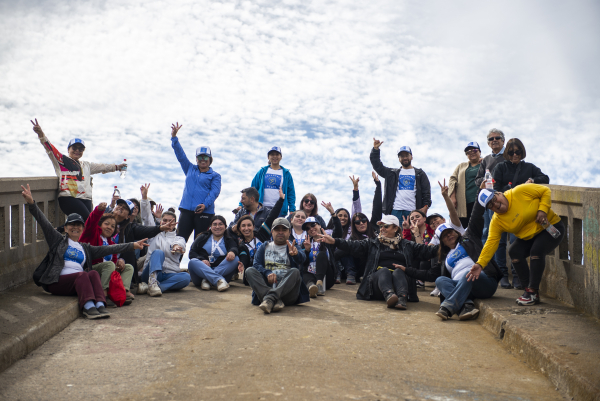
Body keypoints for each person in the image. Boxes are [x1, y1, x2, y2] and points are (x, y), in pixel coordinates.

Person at [21, 184, 147, 319]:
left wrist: (132, 245)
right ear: (66, 228)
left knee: (92, 273)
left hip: (77, 283)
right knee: (82, 275)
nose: (75, 227)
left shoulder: (85, 247)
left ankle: (100, 304)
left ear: (82, 229)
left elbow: (110, 249)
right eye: (72, 225)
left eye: (78, 225)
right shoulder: (58, 241)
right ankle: (88, 306)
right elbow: (44, 223)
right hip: (56, 282)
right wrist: (31, 203)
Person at [316, 214, 438, 310]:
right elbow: (352, 245)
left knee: (399, 271)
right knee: (383, 270)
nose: (382, 228)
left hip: (401, 284)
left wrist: (448, 244)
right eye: (381, 226)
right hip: (377, 286)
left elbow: (428, 251)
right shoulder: (372, 243)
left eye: (386, 226)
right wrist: (335, 241)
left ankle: (402, 299)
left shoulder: (407, 245)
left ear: (396, 228)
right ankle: (389, 296)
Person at [470, 184, 565, 306]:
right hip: (529, 236)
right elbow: (491, 243)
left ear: (498, 193)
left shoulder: (519, 192)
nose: (495, 205)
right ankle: (529, 291)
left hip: (550, 227)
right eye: (490, 206)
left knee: (536, 251)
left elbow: (545, 190)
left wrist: (543, 210)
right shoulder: (497, 221)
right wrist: (480, 264)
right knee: (514, 251)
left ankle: (533, 290)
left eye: (493, 200)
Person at [31, 119, 126, 224]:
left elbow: (102, 167)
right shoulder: (61, 160)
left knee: (82, 225)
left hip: (86, 199)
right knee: (90, 222)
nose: (77, 150)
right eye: (74, 148)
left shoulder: (86, 165)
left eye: (80, 149)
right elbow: (50, 148)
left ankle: (66, 232)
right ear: (68, 149)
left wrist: (117, 167)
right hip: (69, 198)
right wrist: (41, 134)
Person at [170, 122, 222, 242]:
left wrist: (205, 205)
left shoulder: (215, 176)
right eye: (200, 157)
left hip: (205, 212)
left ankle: (198, 261)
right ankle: (174, 261)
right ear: (196, 159)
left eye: (205, 157)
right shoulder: (189, 168)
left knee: (200, 243)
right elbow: (180, 155)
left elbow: (214, 192)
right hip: (186, 210)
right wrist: (174, 138)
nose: (202, 160)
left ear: (210, 159)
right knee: (179, 241)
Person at [245, 218, 309, 314]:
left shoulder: (293, 246)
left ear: (289, 232)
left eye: (284, 230)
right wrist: (267, 272)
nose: (280, 232)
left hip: (288, 293)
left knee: (295, 272)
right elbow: (256, 265)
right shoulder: (264, 246)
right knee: (249, 270)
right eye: (277, 229)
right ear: (272, 232)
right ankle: (275, 299)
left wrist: (295, 255)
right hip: (266, 288)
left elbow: (302, 258)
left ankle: (270, 299)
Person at [78, 202, 136, 307]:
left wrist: (118, 264)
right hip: (91, 269)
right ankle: (103, 295)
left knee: (128, 267)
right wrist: (98, 210)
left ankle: (122, 291)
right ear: (100, 224)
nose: (109, 227)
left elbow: (113, 261)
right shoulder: (92, 234)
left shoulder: (111, 243)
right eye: (107, 224)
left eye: (113, 226)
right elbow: (91, 222)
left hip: (106, 272)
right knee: (109, 265)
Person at [137, 184, 190, 297]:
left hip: (170, 273)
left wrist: (176, 247)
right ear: (160, 222)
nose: (168, 223)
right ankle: (152, 282)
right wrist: (144, 198)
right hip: (150, 272)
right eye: (164, 220)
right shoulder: (153, 234)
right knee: (158, 252)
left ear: (175, 223)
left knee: (186, 278)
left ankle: (154, 287)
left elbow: (179, 244)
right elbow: (146, 218)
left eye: (171, 221)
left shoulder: (179, 238)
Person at [111, 197, 169, 290]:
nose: (121, 208)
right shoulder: (103, 221)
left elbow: (145, 230)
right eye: (119, 205)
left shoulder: (129, 227)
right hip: (103, 261)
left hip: (120, 264)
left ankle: (125, 289)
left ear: (128, 216)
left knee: (129, 262)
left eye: (124, 208)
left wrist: (160, 228)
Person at [475, 129, 509, 285]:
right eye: (491, 139)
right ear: (488, 143)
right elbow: (478, 179)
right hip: (490, 202)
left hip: (506, 201)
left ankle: (503, 274)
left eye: (497, 138)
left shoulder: (509, 155)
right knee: (487, 235)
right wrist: (482, 183)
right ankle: (489, 270)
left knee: (503, 239)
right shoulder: (486, 159)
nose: (494, 140)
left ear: (503, 140)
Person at [370, 138, 432, 223]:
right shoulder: (392, 173)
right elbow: (377, 165)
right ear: (399, 159)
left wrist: (425, 207)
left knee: (412, 236)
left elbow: (426, 192)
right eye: (402, 156)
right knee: (394, 235)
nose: (405, 158)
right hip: (395, 211)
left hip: (413, 212)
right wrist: (375, 150)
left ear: (411, 157)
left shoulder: (420, 174)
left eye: (407, 155)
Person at [234, 187, 285, 282]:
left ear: (254, 227)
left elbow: (272, 216)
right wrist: (243, 264)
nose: (246, 228)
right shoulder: (241, 244)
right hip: (252, 272)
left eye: (249, 225)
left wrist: (281, 200)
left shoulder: (261, 235)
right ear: (239, 228)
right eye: (243, 226)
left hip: (267, 266)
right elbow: (244, 256)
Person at [188, 216, 241, 292]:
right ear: (210, 226)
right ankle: (218, 280)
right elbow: (192, 253)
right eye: (214, 224)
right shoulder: (202, 237)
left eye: (220, 224)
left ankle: (207, 280)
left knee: (236, 259)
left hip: (222, 272)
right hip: (201, 274)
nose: (217, 227)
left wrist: (232, 252)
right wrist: (201, 259)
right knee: (192, 262)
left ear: (225, 227)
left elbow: (234, 248)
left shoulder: (229, 239)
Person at [301, 201, 342, 297]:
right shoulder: (306, 243)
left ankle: (319, 285)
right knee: (304, 273)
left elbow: (339, 233)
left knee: (322, 254)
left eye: (313, 225)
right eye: (307, 228)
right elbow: (303, 263)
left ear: (319, 225)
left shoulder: (328, 240)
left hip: (327, 278)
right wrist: (306, 251)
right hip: (311, 275)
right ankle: (312, 288)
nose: (311, 228)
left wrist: (333, 214)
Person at [248, 146, 296, 216]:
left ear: (281, 157)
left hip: (279, 209)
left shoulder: (286, 173)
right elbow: (252, 189)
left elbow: (290, 193)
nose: (275, 157)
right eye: (272, 155)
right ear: (268, 157)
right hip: (261, 209)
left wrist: (292, 210)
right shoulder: (262, 171)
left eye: (277, 154)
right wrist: (242, 204)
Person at [449, 141, 483, 228]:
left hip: (480, 201)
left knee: (480, 227)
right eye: (468, 152)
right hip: (463, 203)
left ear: (480, 152)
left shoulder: (485, 163)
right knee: (460, 228)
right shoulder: (461, 166)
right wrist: (452, 197)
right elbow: (452, 179)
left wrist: (485, 159)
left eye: (474, 150)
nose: (471, 153)